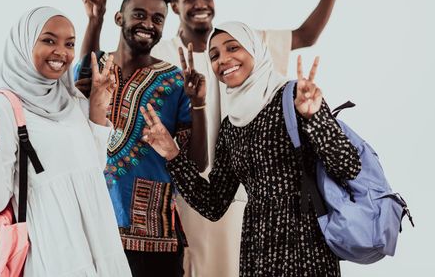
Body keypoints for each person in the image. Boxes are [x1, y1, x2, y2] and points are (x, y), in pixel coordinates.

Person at [79, 0, 345, 275]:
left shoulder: (266, 76)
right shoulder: (160, 53)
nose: (225, 60)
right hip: (193, 194)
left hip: (266, 222)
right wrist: (94, 20)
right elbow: (88, 80)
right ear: (175, 8)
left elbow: (305, 36)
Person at [139, 21, 361, 276]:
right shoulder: (232, 125)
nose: (224, 59)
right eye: (215, 55)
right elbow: (213, 203)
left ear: (255, 50)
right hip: (258, 248)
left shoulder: (294, 99)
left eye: (233, 47)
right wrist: (173, 154)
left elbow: (349, 166)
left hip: (305, 243)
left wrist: (315, 118)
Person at [0, 7, 132, 277]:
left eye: (69, 43)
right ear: (24, 45)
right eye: (48, 40)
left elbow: (94, 169)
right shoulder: (4, 106)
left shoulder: (70, 99)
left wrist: (96, 110)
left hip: (100, 243)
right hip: (57, 253)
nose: (62, 51)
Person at [74, 0, 207, 277]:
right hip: (91, 226)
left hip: (152, 240)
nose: (148, 23)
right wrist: (94, 21)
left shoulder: (175, 81)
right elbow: (79, 95)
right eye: (139, 14)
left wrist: (198, 103)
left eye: (158, 18)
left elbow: (197, 163)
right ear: (119, 17)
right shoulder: (96, 69)